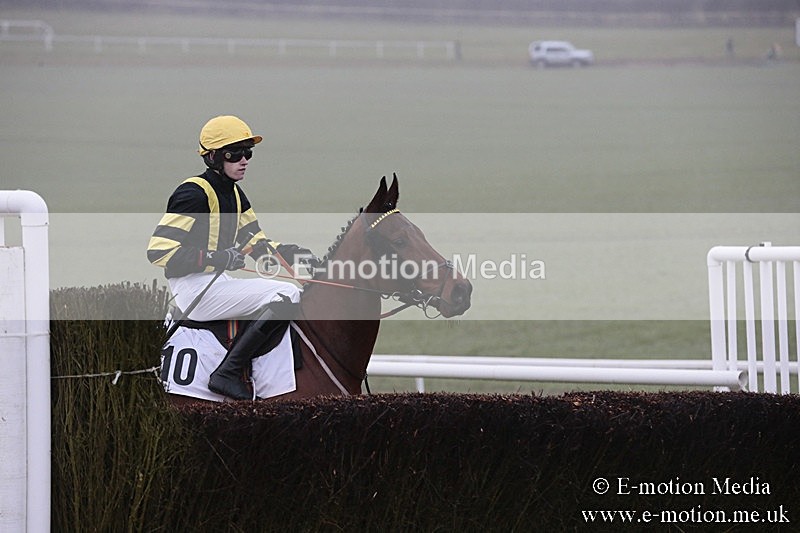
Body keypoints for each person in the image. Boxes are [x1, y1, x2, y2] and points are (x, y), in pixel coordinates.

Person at [148, 115, 313, 400]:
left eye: (247, 153)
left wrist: (291, 253)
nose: (244, 160)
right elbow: (159, 251)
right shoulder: (192, 193)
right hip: (193, 290)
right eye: (234, 154)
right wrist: (216, 258)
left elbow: (256, 242)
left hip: (216, 281)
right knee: (286, 294)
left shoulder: (236, 195)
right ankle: (226, 373)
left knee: (289, 288)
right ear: (212, 157)